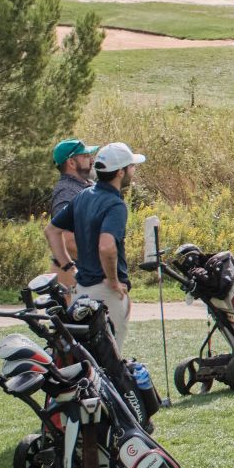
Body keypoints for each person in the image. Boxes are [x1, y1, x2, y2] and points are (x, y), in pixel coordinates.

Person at [53, 141, 146, 356]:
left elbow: (51, 230)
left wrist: (68, 266)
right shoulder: (115, 204)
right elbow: (106, 246)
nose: (133, 171)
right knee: (110, 360)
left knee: (88, 359)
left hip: (81, 290)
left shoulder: (84, 195)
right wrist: (113, 280)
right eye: (131, 167)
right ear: (121, 172)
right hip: (105, 292)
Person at [45, 138, 96, 284]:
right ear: (71, 163)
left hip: (83, 270)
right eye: (86, 156)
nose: (92, 160)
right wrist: (100, 262)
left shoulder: (85, 186)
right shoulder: (66, 192)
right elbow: (68, 241)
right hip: (73, 273)